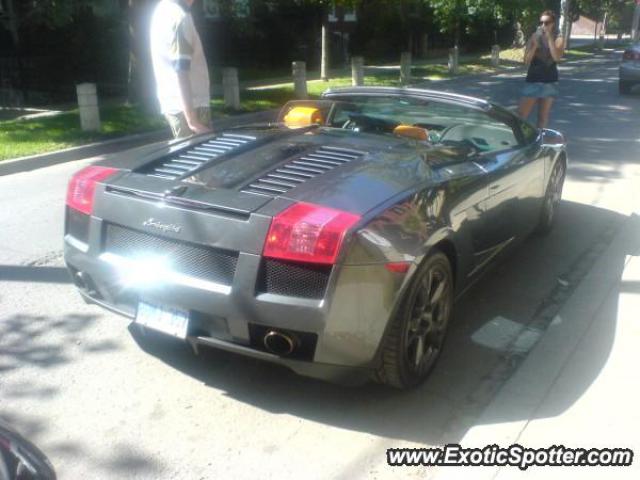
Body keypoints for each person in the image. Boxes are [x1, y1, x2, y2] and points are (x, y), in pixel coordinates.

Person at [150, 0, 211, 138]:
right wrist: (192, 121)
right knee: (200, 157)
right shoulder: (179, 17)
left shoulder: (164, 9)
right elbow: (181, 71)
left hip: (179, 105)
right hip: (191, 107)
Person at [518, 10, 565, 129]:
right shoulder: (534, 36)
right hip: (533, 80)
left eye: (547, 22)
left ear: (553, 23)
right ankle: (519, 141)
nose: (543, 25)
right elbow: (526, 61)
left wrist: (549, 38)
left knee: (543, 118)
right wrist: (534, 46)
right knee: (521, 116)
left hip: (550, 81)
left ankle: (540, 143)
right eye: (541, 22)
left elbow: (556, 57)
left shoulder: (558, 39)